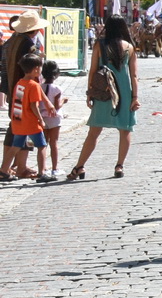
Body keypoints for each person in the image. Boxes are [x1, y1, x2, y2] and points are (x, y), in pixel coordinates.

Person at [67, 16, 138, 180]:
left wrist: (90, 91)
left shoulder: (100, 44)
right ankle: (119, 165)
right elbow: (134, 75)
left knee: (94, 131)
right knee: (125, 128)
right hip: (124, 90)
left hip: (105, 89)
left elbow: (93, 70)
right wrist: (135, 97)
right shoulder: (129, 47)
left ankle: (79, 166)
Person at [4, 54, 52, 182]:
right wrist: (41, 120)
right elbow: (33, 105)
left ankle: (3, 170)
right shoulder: (34, 85)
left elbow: (18, 103)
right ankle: (42, 173)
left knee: (15, 147)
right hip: (31, 123)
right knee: (42, 146)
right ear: (36, 69)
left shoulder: (20, 83)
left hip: (19, 122)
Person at [40, 60, 65, 179]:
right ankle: (55, 168)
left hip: (42, 117)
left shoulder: (39, 87)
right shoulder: (57, 89)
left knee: (43, 144)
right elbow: (57, 106)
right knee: (54, 143)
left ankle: (43, 168)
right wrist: (64, 101)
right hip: (54, 119)